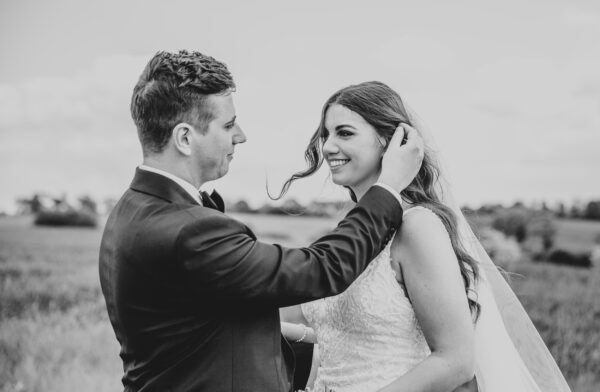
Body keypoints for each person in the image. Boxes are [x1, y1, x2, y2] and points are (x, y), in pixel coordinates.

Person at [98, 51, 425, 392]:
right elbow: (322, 268)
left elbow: (195, 327)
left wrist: (334, 342)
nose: (240, 135)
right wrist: (388, 190)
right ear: (184, 138)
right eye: (227, 125)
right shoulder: (189, 231)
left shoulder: (130, 211)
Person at [279, 81, 572, 392]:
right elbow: (330, 345)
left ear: (390, 142)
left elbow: (456, 361)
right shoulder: (348, 232)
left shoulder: (418, 227)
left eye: (344, 133)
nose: (327, 147)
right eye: (326, 135)